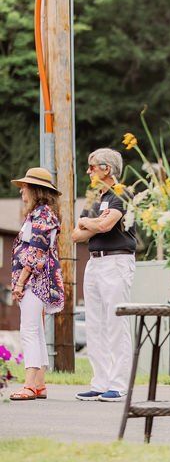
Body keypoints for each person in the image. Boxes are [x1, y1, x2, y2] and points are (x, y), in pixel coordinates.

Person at [72, 149, 137, 403]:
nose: (88, 171)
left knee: (115, 322)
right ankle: (100, 382)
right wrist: (95, 223)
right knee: (95, 323)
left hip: (116, 261)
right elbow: (76, 234)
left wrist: (92, 223)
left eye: (92, 167)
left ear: (106, 168)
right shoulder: (94, 198)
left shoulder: (122, 194)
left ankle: (119, 384)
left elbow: (104, 225)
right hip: (94, 262)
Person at [8, 168, 64, 401]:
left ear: (36, 190)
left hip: (35, 281)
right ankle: (39, 384)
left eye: (25, 187)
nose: (22, 191)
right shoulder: (41, 214)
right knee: (36, 331)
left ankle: (29, 385)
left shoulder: (42, 215)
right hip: (37, 280)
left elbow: (37, 252)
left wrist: (20, 282)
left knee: (29, 330)